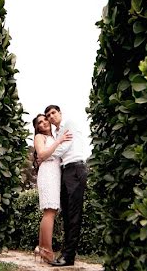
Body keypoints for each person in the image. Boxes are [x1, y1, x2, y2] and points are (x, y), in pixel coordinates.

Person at [44, 104, 89, 267]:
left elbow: (63, 148)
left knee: (74, 215)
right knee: (67, 215)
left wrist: (45, 154)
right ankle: (66, 254)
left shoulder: (68, 123)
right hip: (65, 171)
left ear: (60, 113)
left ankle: (68, 256)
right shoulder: (56, 133)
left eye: (53, 113)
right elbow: (59, 149)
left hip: (76, 168)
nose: (51, 117)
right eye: (48, 115)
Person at [32, 113, 72, 263]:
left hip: (55, 174)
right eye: (39, 123)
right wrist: (59, 141)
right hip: (48, 174)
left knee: (50, 211)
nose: (43, 124)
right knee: (49, 211)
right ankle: (47, 251)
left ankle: (41, 248)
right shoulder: (39, 137)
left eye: (44, 120)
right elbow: (42, 153)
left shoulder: (55, 136)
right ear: (37, 127)